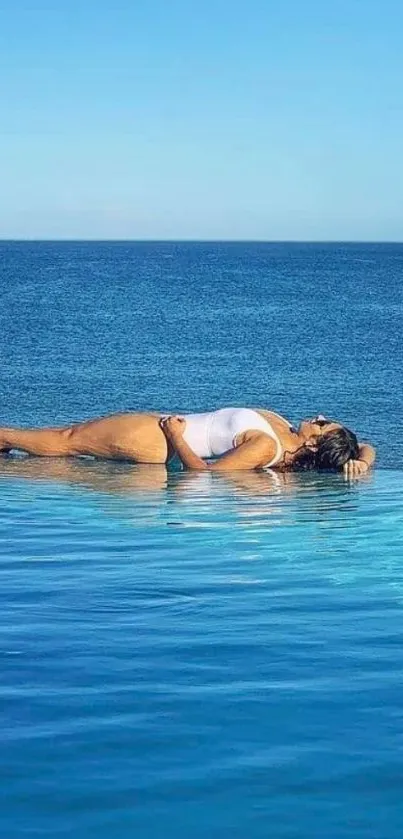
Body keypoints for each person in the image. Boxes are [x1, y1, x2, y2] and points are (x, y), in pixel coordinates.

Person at [0, 406, 375, 476]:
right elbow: (366, 447)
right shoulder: (283, 428)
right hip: (158, 429)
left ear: (314, 445)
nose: (319, 417)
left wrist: (175, 436)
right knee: (69, 437)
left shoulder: (266, 447)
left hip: (159, 439)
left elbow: (206, 474)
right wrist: (362, 460)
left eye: (323, 425)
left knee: (68, 440)